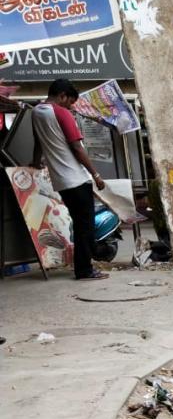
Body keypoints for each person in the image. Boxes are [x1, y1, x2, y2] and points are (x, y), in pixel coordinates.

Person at [31, 77, 108, 281]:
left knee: (80, 224)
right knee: (86, 227)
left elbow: (38, 140)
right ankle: (84, 270)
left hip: (61, 182)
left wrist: (35, 161)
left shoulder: (36, 111)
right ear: (62, 95)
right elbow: (76, 148)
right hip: (76, 179)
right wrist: (96, 174)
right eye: (69, 102)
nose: (70, 107)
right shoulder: (61, 112)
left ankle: (84, 266)